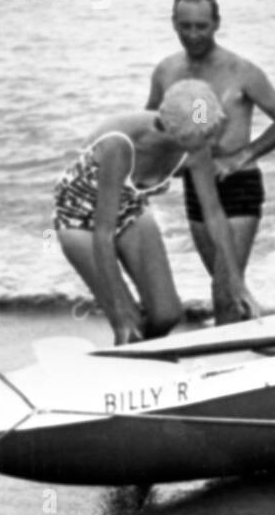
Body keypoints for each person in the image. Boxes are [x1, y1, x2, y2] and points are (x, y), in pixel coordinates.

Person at [54, 79, 261, 344]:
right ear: (174, 134)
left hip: (129, 210)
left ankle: (140, 358)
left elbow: (214, 214)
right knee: (129, 324)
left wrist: (236, 282)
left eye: (213, 134)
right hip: (80, 221)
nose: (212, 143)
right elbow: (102, 235)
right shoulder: (120, 145)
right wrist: (119, 310)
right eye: (205, 137)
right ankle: (126, 356)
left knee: (166, 315)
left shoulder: (196, 142)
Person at [146, 0, 275, 318]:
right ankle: (248, 333)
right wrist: (158, 169)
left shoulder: (241, 71)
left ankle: (230, 356)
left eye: (201, 26)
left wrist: (240, 156)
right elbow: (151, 127)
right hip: (196, 188)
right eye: (185, 26)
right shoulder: (166, 72)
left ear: (216, 23)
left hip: (238, 185)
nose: (193, 34)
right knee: (225, 282)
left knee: (224, 288)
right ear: (173, 23)